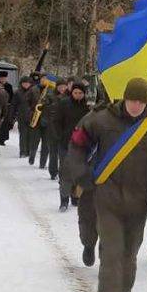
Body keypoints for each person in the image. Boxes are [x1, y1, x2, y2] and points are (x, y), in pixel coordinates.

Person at [65, 77, 147, 292]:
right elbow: (77, 144)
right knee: (112, 254)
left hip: (138, 203)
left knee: (129, 256)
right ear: (124, 97)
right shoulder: (101, 119)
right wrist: (81, 173)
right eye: (132, 100)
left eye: (141, 101)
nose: (136, 106)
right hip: (108, 199)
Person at [54, 82, 91, 211]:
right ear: (72, 92)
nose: (78, 95)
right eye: (75, 93)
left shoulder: (87, 107)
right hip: (65, 143)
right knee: (65, 172)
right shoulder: (64, 104)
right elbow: (56, 121)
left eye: (80, 93)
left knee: (79, 172)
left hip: (82, 145)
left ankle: (75, 197)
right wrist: (60, 136)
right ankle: (63, 200)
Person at [42, 79, 69, 181]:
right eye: (60, 87)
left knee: (63, 154)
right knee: (53, 152)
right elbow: (46, 109)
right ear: (56, 87)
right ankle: (53, 172)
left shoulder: (69, 97)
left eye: (64, 86)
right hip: (51, 128)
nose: (62, 89)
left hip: (64, 129)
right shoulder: (50, 96)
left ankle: (63, 173)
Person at [13, 75, 38, 158]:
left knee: (31, 134)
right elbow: (14, 104)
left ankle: (29, 151)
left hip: (32, 116)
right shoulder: (17, 92)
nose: (26, 84)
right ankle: (23, 151)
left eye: (28, 83)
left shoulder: (34, 91)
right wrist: (12, 115)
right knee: (23, 134)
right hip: (21, 115)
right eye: (24, 83)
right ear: (21, 83)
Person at [0, 71, 15, 148]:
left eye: (4, 78)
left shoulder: (9, 86)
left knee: (4, 124)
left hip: (6, 106)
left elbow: (11, 97)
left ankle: (2, 139)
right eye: (1, 78)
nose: (3, 79)